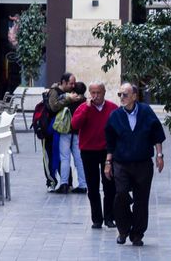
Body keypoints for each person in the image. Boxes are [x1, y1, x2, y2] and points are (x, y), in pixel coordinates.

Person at [103, 82, 166, 246]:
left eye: (125, 94)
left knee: (141, 199)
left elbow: (157, 135)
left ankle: (137, 234)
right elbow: (110, 142)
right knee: (121, 195)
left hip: (142, 163)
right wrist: (108, 163)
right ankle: (123, 230)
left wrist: (159, 155)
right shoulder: (115, 115)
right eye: (120, 95)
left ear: (134, 96)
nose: (122, 98)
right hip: (121, 163)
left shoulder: (146, 111)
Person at [72, 81, 118, 231]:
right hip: (88, 151)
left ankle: (109, 217)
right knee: (92, 187)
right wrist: (86, 108)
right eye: (93, 93)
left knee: (109, 185)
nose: (95, 96)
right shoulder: (83, 107)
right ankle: (97, 219)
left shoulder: (112, 108)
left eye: (98, 93)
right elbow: (75, 124)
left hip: (107, 151)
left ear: (104, 92)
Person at [44, 72, 84, 192]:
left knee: (67, 158)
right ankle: (59, 183)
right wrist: (68, 99)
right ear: (63, 82)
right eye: (71, 83)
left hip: (67, 131)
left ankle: (68, 184)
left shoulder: (72, 94)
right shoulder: (55, 92)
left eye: (74, 83)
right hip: (57, 130)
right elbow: (53, 107)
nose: (73, 86)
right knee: (60, 157)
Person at [63, 82, 88, 194]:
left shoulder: (69, 100)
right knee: (79, 159)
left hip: (67, 131)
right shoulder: (85, 102)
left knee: (64, 157)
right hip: (79, 133)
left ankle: (64, 183)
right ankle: (83, 184)